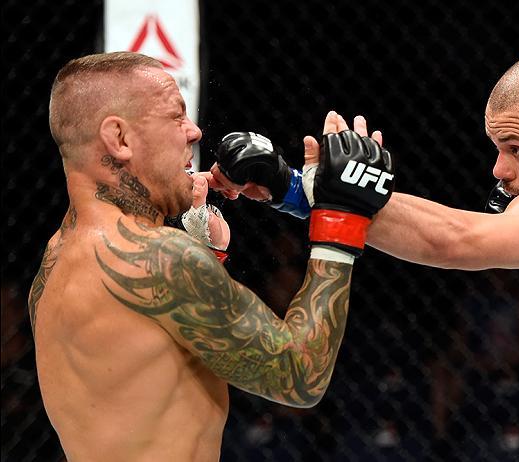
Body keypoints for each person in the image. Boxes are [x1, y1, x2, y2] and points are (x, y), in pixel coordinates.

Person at [212, 51, 519, 461]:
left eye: (516, 148)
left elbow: (455, 238)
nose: (499, 169)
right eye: (497, 147)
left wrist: (307, 191)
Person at [29, 51, 393, 462]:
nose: (195, 131)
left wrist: (207, 257)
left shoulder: (58, 257)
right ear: (120, 139)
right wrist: (339, 222)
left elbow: (146, 391)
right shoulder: (161, 260)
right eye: (175, 116)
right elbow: (300, 375)